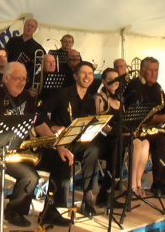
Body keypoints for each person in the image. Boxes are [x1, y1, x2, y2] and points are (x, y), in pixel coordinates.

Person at [0, 62, 73, 228]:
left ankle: (52, 209)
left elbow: (39, 124)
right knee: (30, 176)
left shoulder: (26, 96)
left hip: (23, 150)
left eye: (24, 79)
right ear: (6, 78)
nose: (21, 82)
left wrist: (59, 147)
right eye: (17, 78)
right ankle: (14, 211)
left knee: (62, 161)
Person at [38, 61, 104, 217]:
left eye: (90, 74)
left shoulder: (89, 99)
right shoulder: (62, 93)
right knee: (64, 159)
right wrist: (53, 126)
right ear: (75, 76)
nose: (87, 77)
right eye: (83, 73)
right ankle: (57, 207)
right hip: (60, 142)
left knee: (93, 150)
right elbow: (40, 111)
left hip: (79, 142)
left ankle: (87, 198)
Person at [123, 57, 165, 196]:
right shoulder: (135, 87)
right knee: (162, 141)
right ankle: (159, 184)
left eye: (156, 70)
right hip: (140, 131)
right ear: (142, 71)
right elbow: (138, 116)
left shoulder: (157, 87)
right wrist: (163, 118)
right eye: (150, 70)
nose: (154, 73)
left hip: (156, 128)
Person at [95, 68, 150, 200]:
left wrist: (130, 130)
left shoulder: (120, 99)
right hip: (108, 137)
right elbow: (100, 124)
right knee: (136, 143)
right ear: (103, 81)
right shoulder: (99, 98)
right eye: (110, 79)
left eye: (117, 80)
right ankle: (132, 185)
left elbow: (124, 121)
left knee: (145, 143)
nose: (114, 82)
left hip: (121, 135)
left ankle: (136, 182)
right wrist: (123, 132)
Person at [5, 19, 45, 87]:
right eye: (28, 25)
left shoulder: (38, 48)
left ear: (35, 30)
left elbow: (38, 67)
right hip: (8, 75)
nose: (29, 28)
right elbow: (5, 57)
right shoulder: (12, 41)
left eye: (32, 26)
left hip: (24, 80)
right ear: (24, 26)